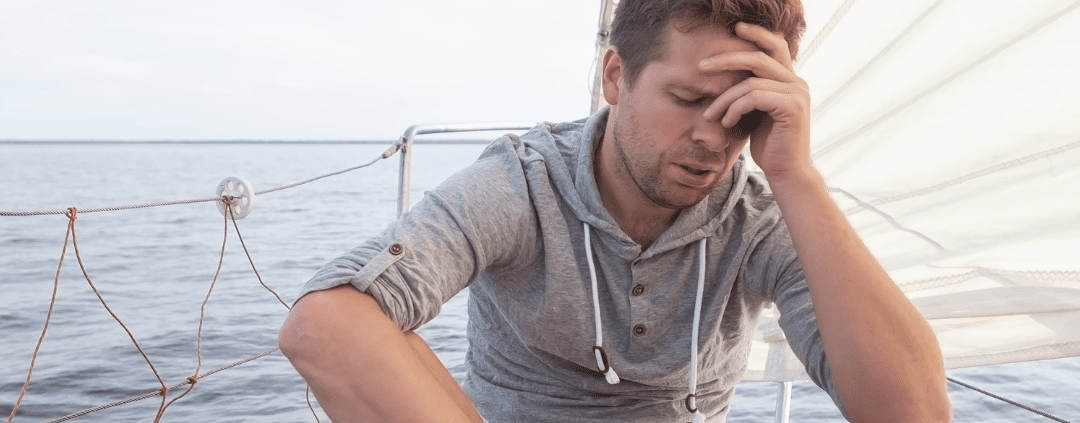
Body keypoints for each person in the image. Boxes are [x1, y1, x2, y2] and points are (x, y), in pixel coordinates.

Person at [278, 0, 952, 421]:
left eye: (739, 113)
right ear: (615, 76)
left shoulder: (760, 218)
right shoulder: (520, 186)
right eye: (689, 99)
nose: (714, 139)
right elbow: (326, 324)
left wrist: (796, 175)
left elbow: (915, 413)